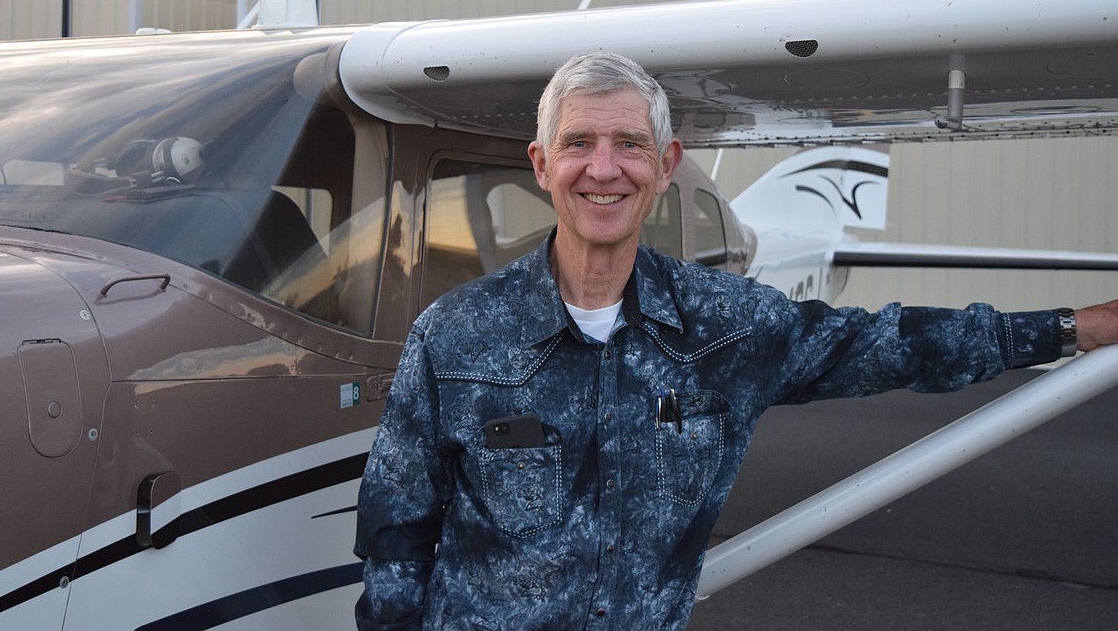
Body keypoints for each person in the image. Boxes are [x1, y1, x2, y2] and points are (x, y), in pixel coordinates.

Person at [354, 51, 1118, 629]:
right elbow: (396, 538)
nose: (604, 168)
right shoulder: (454, 337)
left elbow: (889, 343)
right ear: (542, 164)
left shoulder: (729, 326)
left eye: (628, 143)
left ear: (664, 164)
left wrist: (1071, 328)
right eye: (579, 142)